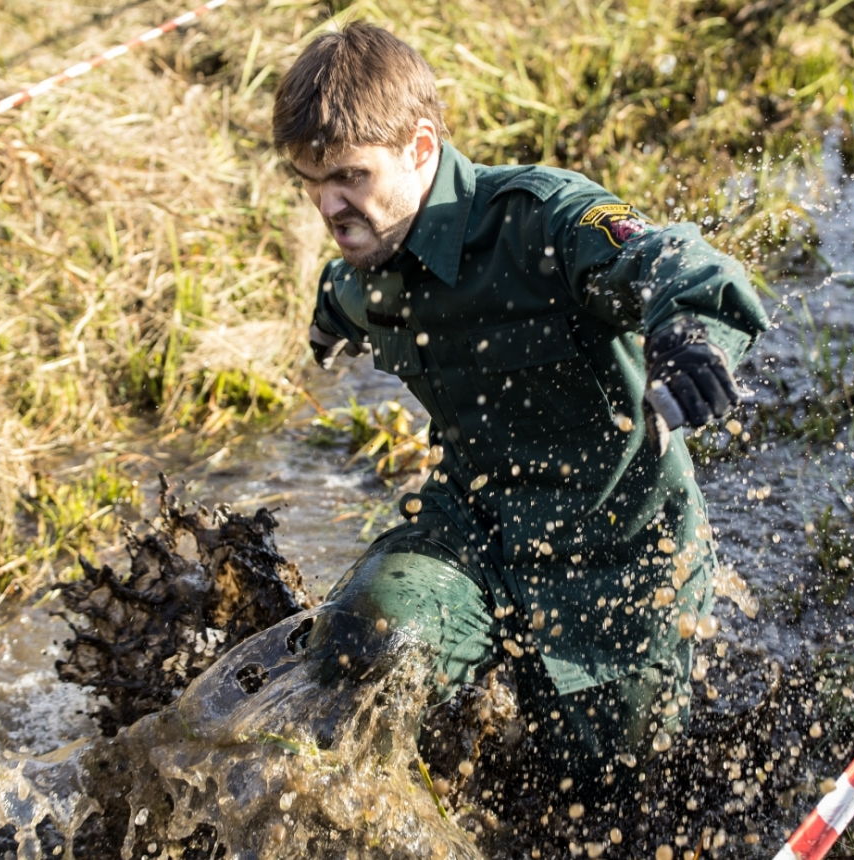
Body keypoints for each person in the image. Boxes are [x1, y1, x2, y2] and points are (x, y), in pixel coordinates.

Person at [276, 22, 769, 809]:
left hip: (620, 560)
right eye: (309, 181)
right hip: (478, 532)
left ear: (420, 146)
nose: (329, 207)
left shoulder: (541, 219)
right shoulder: (367, 268)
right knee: (366, 640)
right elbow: (339, 299)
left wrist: (688, 338)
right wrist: (325, 331)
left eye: (347, 177)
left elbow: (674, 260)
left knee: (604, 798)